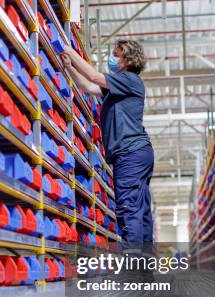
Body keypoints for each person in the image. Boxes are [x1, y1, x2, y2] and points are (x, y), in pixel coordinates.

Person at [61, 40, 154, 253]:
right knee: (141, 209)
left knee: (128, 207)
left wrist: (69, 50)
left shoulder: (129, 79)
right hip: (137, 152)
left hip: (130, 152)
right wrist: (69, 67)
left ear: (128, 59)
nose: (112, 58)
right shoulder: (119, 86)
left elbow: (94, 76)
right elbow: (90, 87)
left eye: (116, 54)